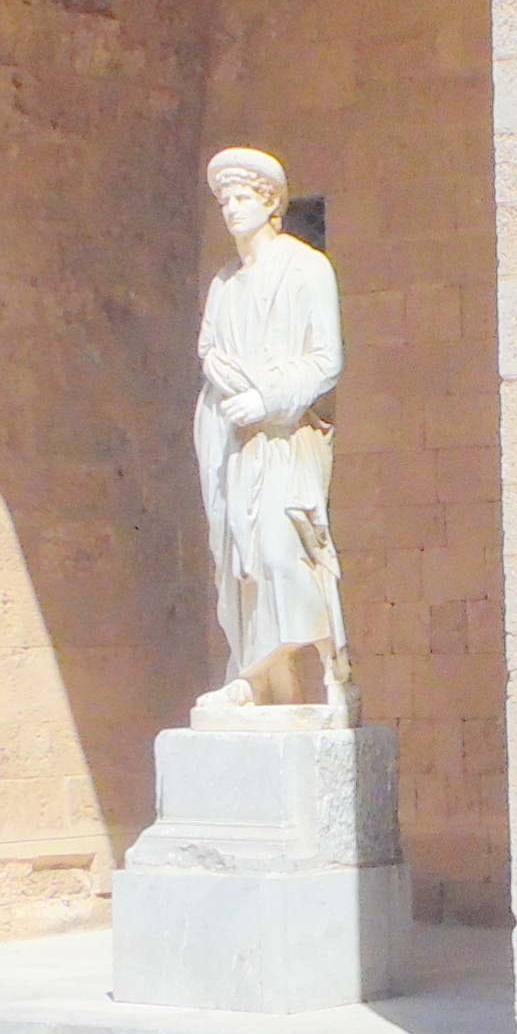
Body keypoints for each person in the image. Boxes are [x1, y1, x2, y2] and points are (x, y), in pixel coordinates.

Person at [193, 148, 351, 716]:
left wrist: (266, 397)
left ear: (270, 203)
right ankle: (268, 689)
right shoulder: (224, 282)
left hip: (285, 435)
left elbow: (326, 360)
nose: (232, 210)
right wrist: (231, 390)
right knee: (244, 564)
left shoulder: (307, 267)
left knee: (287, 554)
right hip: (233, 438)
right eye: (224, 201)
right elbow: (209, 349)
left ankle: (328, 670)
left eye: (242, 198)